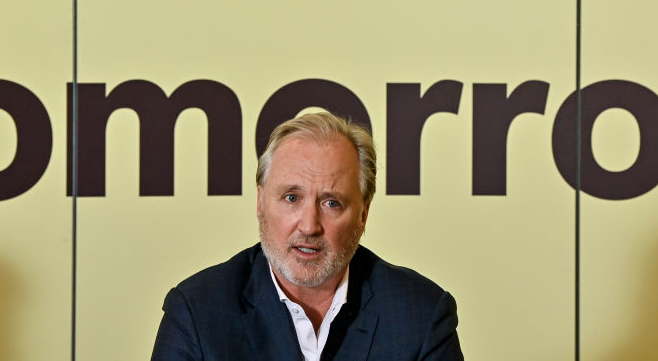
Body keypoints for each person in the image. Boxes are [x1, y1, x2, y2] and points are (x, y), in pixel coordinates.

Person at [150, 111, 463, 360]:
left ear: (363, 214)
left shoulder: (421, 314)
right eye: (292, 198)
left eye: (331, 203)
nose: (310, 226)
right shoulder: (196, 311)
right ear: (260, 202)